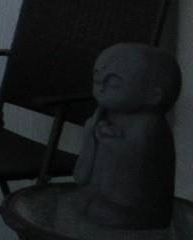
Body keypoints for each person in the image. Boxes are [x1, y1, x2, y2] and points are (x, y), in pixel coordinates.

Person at [72, 42, 181, 229]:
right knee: (84, 201)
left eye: (113, 82)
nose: (101, 88)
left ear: (152, 96)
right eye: (97, 80)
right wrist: (93, 130)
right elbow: (91, 133)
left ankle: (118, 208)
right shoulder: (104, 112)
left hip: (131, 203)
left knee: (114, 214)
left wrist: (112, 142)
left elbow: (138, 158)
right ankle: (96, 196)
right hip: (100, 191)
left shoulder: (149, 125)